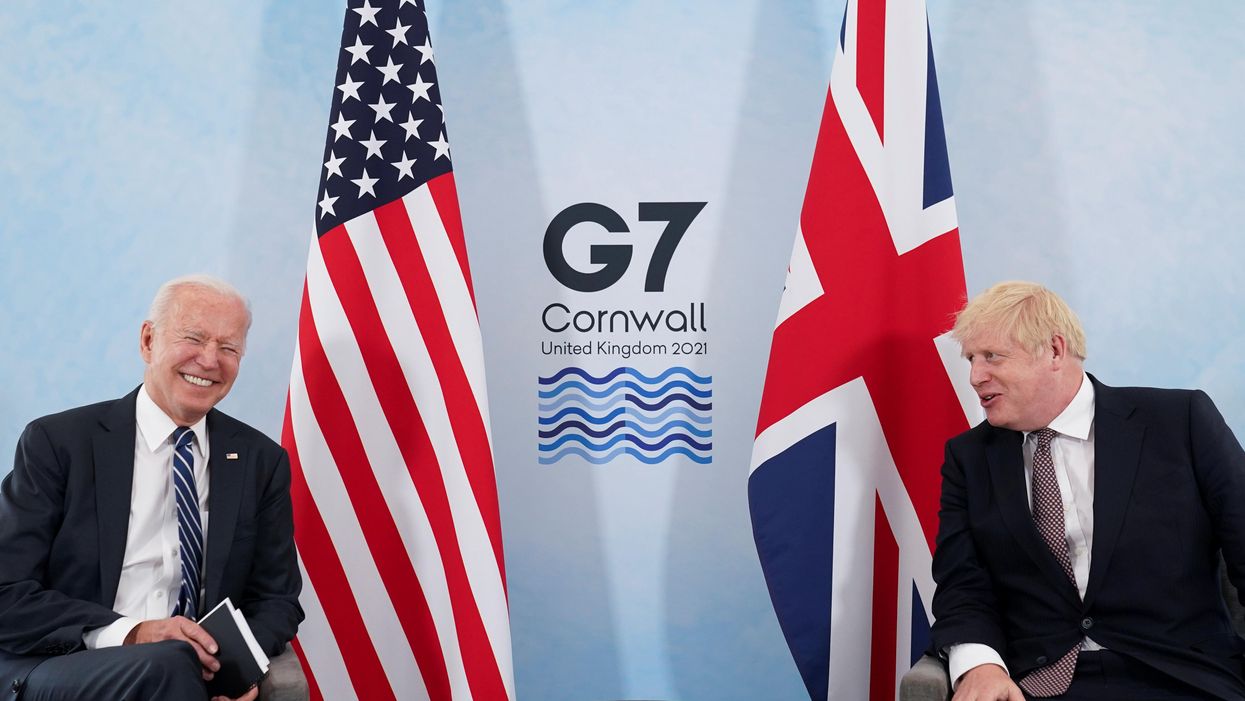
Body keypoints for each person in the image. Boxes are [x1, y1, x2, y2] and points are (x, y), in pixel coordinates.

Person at [930, 281, 1245, 701]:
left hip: (1180, 677)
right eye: (971, 359)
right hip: (1041, 686)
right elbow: (961, 583)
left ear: (1055, 351)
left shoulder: (1179, 421)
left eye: (992, 357)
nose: (975, 376)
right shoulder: (968, 458)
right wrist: (980, 665)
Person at [0, 275, 303, 700]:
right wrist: (133, 633)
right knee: (170, 663)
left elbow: (277, 600)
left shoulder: (260, 462)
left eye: (229, 348)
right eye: (194, 338)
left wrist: (236, 670)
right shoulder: (58, 443)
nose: (210, 360)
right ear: (147, 341)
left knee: (177, 666)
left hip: (193, 674)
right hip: (67, 664)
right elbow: (7, 591)